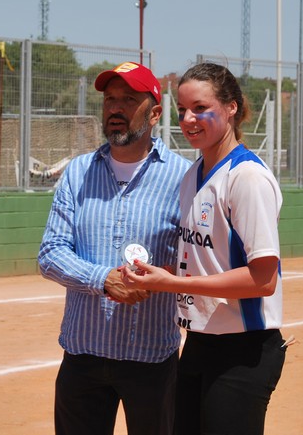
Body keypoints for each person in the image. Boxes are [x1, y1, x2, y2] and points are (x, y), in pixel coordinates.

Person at [121, 62, 286, 435]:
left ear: (231, 107)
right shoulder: (193, 174)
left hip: (244, 350)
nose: (188, 120)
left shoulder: (247, 178)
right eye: (182, 110)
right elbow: (205, 258)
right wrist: (155, 274)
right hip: (200, 341)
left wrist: (173, 284)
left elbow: (263, 280)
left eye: (200, 108)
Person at [38, 61, 191, 435]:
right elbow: (51, 253)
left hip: (151, 357)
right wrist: (104, 279)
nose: (115, 109)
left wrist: (165, 277)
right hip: (83, 355)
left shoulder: (184, 177)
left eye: (128, 100)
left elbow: (196, 261)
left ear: (154, 113)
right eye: (110, 100)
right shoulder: (78, 172)